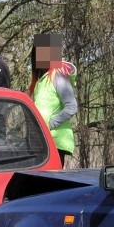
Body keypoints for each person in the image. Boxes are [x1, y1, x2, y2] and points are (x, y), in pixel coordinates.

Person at [29, 33, 77, 165]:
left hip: (55, 141)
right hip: (44, 141)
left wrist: (49, 124)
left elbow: (72, 107)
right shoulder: (40, 80)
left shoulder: (58, 76)